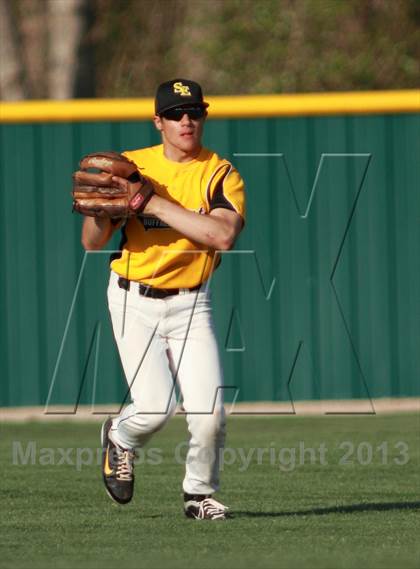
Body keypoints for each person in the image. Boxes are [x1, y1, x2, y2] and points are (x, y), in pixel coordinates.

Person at [81, 78, 246, 520]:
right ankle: (121, 436)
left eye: (194, 112)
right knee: (154, 409)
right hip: (133, 299)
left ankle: (198, 495)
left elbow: (223, 234)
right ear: (159, 122)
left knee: (210, 413)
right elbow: (93, 243)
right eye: (175, 114)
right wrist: (103, 211)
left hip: (192, 303)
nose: (186, 120)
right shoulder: (131, 166)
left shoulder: (219, 173)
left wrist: (148, 202)